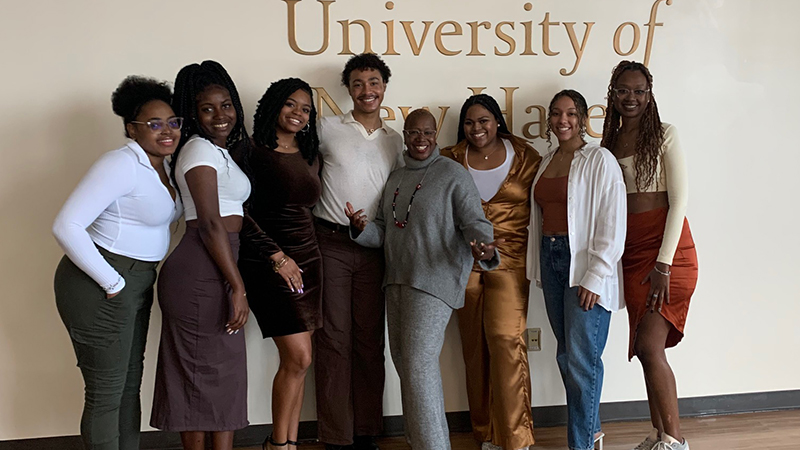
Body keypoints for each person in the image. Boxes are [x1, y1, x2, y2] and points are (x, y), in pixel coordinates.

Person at [345, 109, 502, 450]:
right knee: (407, 367)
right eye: (414, 132)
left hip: (434, 281)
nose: (421, 139)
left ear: (436, 135)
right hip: (397, 281)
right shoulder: (396, 178)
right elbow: (385, 231)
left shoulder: (452, 174)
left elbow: (474, 220)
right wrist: (361, 229)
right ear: (405, 134)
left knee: (418, 367)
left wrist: (483, 246)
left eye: (427, 133)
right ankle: (421, 442)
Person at [52, 75, 182, 450]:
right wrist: (112, 282)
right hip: (101, 281)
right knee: (106, 392)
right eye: (154, 124)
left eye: (173, 122)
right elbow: (66, 224)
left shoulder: (162, 167)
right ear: (131, 128)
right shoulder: (120, 164)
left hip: (137, 279)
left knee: (129, 383)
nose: (166, 131)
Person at [150, 60, 251, 450]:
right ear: (192, 114)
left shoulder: (219, 151)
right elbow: (210, 223)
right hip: (200, 268)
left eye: (226, 105)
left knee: (225, 374)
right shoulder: (196, 150)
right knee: (195, 377)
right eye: (207, 109)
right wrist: (237, 286)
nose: (220, 115)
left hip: (222, 264)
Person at [601, 61, 698, 450]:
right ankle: (661, 435)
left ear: (649, 93)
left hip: (668, 253)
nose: (631, 98)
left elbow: (680, 201)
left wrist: (664, 264)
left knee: (649, 346)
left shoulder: (665, 135)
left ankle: (675, 441)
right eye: (624, 90)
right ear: (613, 94)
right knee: (645, 350)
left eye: (639, 91)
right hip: (632, 254)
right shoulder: (609, 143)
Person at [313, 53, 404, 450]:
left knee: (370, 339)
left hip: (373, 246)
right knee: (334, 338)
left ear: (384, 87)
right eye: (358, 84)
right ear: (348, 90)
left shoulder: (395, 139)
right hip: (331, 243)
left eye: (373, 82)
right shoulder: (326, 128)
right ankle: (336, 434)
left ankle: (367, 429)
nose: (367, 90)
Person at [527, 90, 627, 450]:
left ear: (584, 118)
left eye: (571, 113)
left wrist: (596, 274)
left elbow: (612, 221)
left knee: (583, 361)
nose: (562, 120)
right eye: (556, 113)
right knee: (566, 355)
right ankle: (592, 430)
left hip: (582, 262)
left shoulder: (599, 159)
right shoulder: (546, 160)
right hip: (551, 258)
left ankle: (581, 444)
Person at [441, 94, 541, 450]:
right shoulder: (450, 159)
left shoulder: (526, 155)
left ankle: (516, 439)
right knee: (473, 349)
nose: (476, 128)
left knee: (506, 341)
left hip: (510, 262)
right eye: (469, 122)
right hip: (463, 263)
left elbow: (544, 206)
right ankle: (485, 435)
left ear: (497, 121)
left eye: (483, 120)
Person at [235, 78, 322, 450]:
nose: (297, 114)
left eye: (305, 109)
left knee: (301, 363)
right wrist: (276, 256)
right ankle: (278, 444)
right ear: (273, 106)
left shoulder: (309, 152)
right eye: (290, 104)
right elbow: (237, 211)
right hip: (270, 263)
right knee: (298, 357)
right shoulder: (249, 151)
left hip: (310, 262)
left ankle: (287, 443)